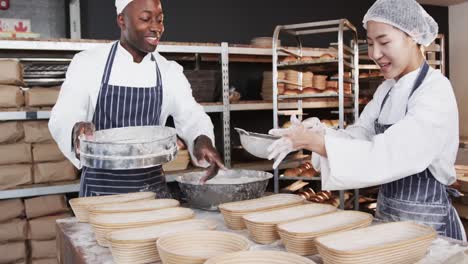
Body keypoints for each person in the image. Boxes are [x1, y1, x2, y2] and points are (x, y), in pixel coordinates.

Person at [268, 0, 465, 241]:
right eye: (370, 44)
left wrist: (319, 144)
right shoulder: (386, 90)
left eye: (384, 42)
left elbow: (395, 152)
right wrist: (320, 135)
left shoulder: (435, 90)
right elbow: (360, 134)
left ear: (413, 37)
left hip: (428, 225)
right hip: (388, 218)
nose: (374, 54)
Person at [49, 0, 224, 198]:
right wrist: (75, 128)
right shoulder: (89, 63)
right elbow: (64, 114)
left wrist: (202, 139)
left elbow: (191, 114)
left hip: (151, 193)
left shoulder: (168, 71)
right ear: (122, 20)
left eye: (160, 20)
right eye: (145, 19)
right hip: (100, 193)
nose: (156, 27)